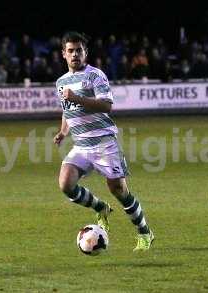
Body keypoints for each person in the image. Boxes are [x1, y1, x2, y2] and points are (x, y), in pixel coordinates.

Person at [53, 31, 154, 252]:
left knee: (119, 189)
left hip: (104, 143)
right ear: (63, 54)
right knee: (66, 185)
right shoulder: (61, 82)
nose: (75, 54)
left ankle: (145, 232)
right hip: (81, 145)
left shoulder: (95, 75)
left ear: (85, 52)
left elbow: (107, 105)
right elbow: (67, 110)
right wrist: (62, 132)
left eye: (79, 50)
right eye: (70, 51)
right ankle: (101, 208)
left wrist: (76, 97)